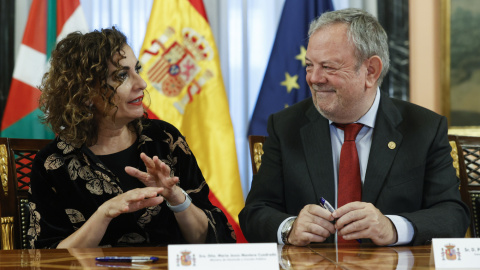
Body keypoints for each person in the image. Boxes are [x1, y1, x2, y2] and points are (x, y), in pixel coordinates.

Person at [239, 8, 469, 246]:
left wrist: (392, 228)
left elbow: (453, 216)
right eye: (309, 65)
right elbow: (254, 213)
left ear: (370, 71)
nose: (314, 78)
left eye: (328, 67)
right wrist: (289, 228)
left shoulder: (423, 128)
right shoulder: (286, 126)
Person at [28, 27, 236, 248]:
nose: (142, 84)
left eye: (137, 69)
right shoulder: (52, 163)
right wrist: (104, 214)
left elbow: (214, 240)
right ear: (86, 92)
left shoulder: (164, 139)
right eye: (122, 75)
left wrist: (176, 197)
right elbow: (44, 257)